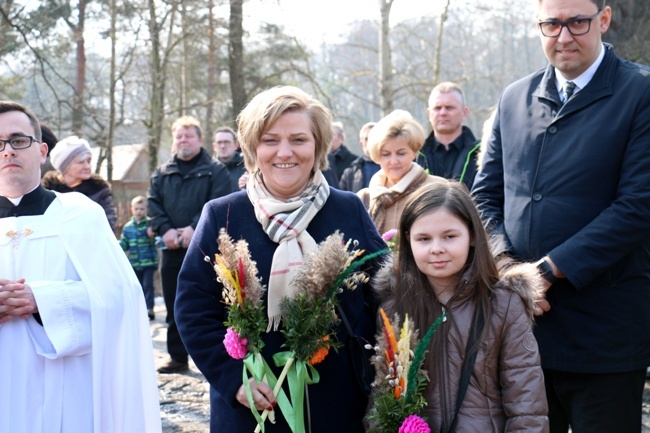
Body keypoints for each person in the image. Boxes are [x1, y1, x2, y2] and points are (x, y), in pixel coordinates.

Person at [471, 0, 650, 431]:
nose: (564, 36)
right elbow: (484, 197)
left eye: (577, 22)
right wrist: (508, 266)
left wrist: (550, 270)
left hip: (603, 332)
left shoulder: (640, 93)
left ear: (604, 20)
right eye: (551, 24)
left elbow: (638, 204)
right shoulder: (514, 97)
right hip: (521, 331)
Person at [175, 86, 387, 432]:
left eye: (299, 140)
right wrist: (233, 381)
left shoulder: (348, 209)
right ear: (251, 148)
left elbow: (384, 295)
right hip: (253, 408)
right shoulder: (222, 216)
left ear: (317, 145)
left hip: (337, 405)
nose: (284, 152)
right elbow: (193, 310)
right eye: (270, 140)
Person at [0, 101, 161, 432]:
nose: (7, 152)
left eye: (18, 140)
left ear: (42, 150)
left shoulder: (80, 215)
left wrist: (43, 300)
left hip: (67, 391)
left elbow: (122, 299)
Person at [372, 181, 548, 431]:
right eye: (424, 238)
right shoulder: (394, 311)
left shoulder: (503, 304)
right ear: (409, 241)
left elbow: (527, 404)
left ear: (472, 236)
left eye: (450, 236)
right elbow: (382, 401)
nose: (437, 249)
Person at [148, 114, 232, 374]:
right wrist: (166, 229)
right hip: (172, 250)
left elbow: (220, 201)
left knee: (213, 304)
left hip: (206, 250)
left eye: (188, 135)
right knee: (175, 304)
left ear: (200, 139)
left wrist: (195, 228)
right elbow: (153, 203)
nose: (183, 140)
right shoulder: (162, 173)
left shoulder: (216, 170)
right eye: (179, 136)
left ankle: (217, 358)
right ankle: (177, 356)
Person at [357, 109, 444, 234]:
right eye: (386, 154)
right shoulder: (365, 198)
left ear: (414, 152)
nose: (393, 161)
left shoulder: (437, 190)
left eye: (401, 153)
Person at [41, 135, 118, 231]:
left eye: (89, 161)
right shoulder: (47, 192)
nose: (87, 166)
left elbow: (108, 222)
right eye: (81, 162)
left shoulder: (99, 189)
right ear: (65, 166)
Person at [415, 82, 480, 190]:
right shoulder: (415, 154)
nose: (443, 113)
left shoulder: (481, 154)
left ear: (464, 112)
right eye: (437, 108)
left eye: (449, 108)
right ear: (429, 113)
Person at [119, 195, 158, 320]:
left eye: (142, 209)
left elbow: (156, 239)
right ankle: (138, 308)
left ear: (146, 210)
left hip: (148, 262)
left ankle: (149, 308)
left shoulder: (150, 225)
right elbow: (124, 243)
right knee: (137, 286)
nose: (139, 211)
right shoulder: (128, 227)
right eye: (136, 209)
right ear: (132, 210)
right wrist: (116, 247)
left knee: (148, 285)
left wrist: (153, 234)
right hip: (134, 263)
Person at [339, 121, 381, 192]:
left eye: (375, 137)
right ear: (362, 144)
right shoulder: (350, 173)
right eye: (367, 139)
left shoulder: (391, 167)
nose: (371, 141)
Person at [212, 126, 246, 191]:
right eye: (219, 142)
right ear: (214, 146)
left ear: (236, 145)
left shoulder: (247, 167)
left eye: (226, 142)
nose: (223, 146)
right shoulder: (209, 170)